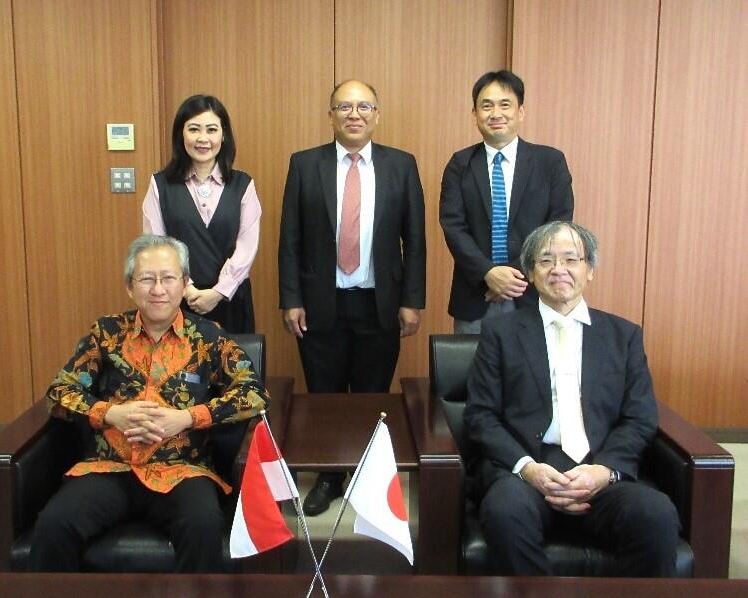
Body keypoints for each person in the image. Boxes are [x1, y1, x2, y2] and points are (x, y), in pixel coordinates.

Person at [28, 235, 269, 572]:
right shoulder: (106, 333)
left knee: (203, 525)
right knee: (55, 524)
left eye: (168, 278)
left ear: (184, 283)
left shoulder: (210, 338)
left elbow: (254, 393)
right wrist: (111, 413)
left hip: (183, 469)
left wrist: (187, 418)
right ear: (130, 286)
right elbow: (60, 391)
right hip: (111, 467)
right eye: (147, 279)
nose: (158, 289)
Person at [463, 221, 680, 577]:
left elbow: (639, 417)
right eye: (546, 260)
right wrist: (527, 468)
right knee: (505, 512)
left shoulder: (623, 336)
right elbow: (481, 416)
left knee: (656, 515)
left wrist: (604, 471)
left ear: (589, 269)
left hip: (598, 470)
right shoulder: (500, 333)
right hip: (527, 472)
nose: (558, 269)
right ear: (530, 273)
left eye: (570, 259)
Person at [278, 80, 426, 516]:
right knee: (324, 395)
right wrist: (291, 298)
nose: (354, 114)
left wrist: (412, 300)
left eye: (364, 106)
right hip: (320, 301)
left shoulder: (401, 165)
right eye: (344, 106)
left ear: (377, 115)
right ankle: (329, 476)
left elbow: (415, 240)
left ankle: (366, 480)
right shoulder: (305, 164)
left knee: (372, 397)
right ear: (331, 115)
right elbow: (290, 238)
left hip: (380, 302)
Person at [440, 70, 574, 333]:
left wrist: (511, 277)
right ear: (474, 114)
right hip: (475, 294)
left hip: (534, 292)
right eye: (486, 106)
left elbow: (557, 226)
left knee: (533, 361)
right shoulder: (459, 164)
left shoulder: (550, 163)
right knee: (472, 361)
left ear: (520, 112)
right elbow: (453, 227)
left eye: (505, 104)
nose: (495, 113)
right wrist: (488, 273)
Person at [143, 94, 260, 333]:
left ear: (223, 135)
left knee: (233, 357)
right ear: (181, 134)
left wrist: (218, 292)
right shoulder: (160, 185)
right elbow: (156, 245)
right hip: (177, 300)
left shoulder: (243, 184)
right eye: (194, 129)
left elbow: (246, 247)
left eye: (212, 130)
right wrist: (188, 290)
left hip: (231, 299)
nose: (203, 138)